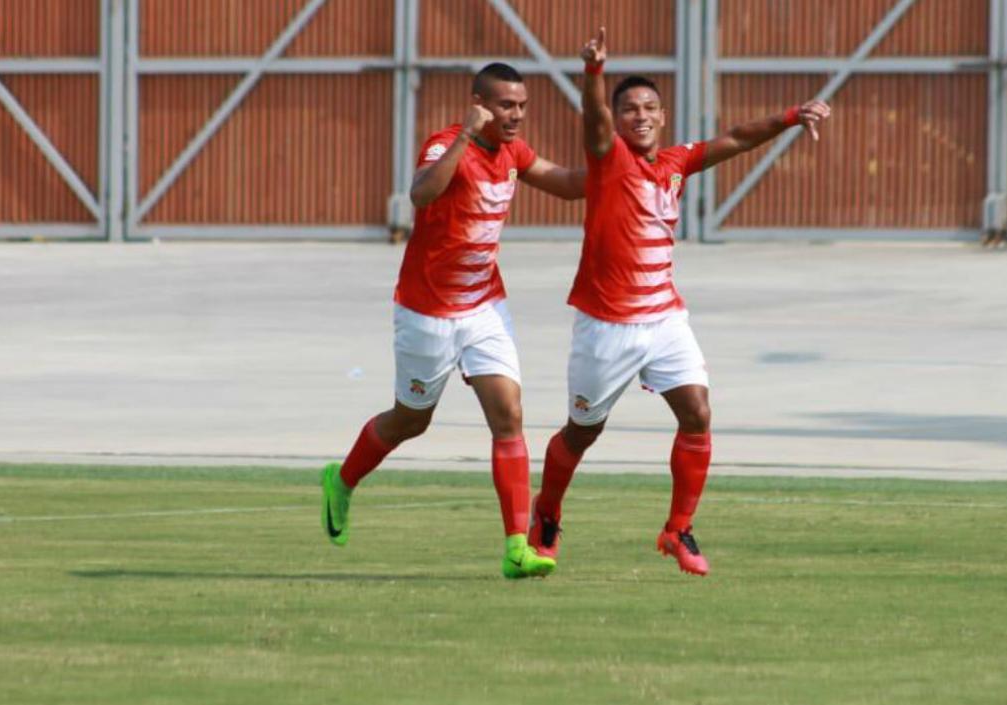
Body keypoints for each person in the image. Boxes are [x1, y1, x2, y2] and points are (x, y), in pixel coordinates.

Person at [528, 28, 831, 576]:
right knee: (582, 431)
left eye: (649, 107)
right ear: (617, 120)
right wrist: (594, 74)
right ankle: (546, 515)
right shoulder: (609, 158)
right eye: (629, 109)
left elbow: (736, 139)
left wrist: (790, 116)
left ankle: (678, 530)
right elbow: (593, 123)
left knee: (698, 412)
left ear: (662, 117)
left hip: (665, 317)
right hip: (606, 326)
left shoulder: (675, 162)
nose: (639, 115)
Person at [321, 62, 585, 579]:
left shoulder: (514, 152)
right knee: (411, 420)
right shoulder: (446, 144)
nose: (516, 116)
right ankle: (343, 480)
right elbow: (421, 193)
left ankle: (516, 548)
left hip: (485, 306)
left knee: (508, 414)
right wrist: (466, 132)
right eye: (506, 106)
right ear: (479, 103)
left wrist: (617, 168)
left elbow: (565, 182)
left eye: (522, 107)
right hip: (427, 311)